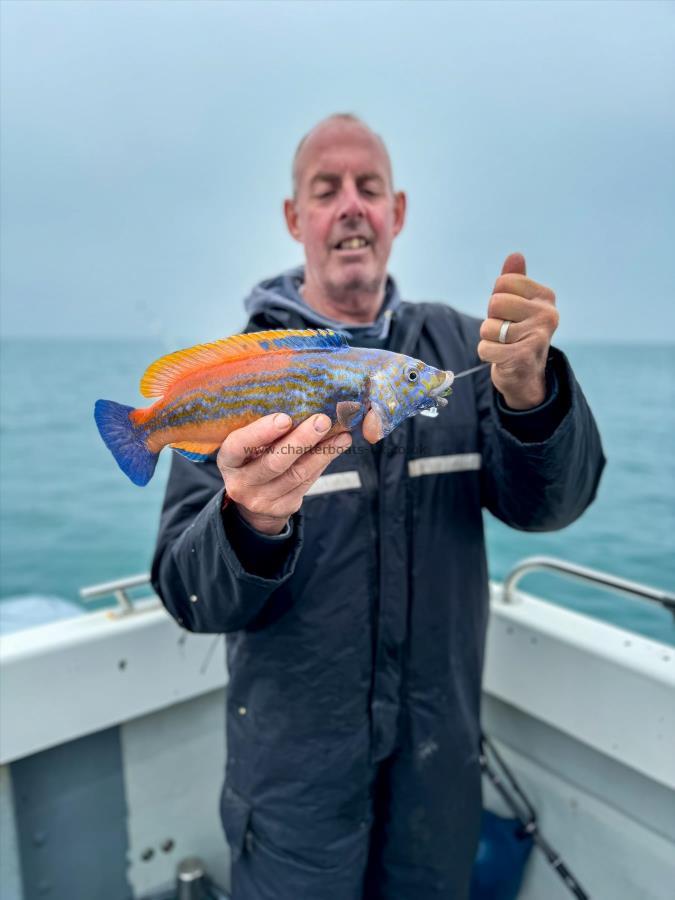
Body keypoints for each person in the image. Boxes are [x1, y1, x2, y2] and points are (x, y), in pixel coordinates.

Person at [151, 113, 605, 900]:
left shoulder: (471, 351)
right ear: (296, 220)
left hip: (438, 780)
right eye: (326, 190)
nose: (350, 206)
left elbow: (552, 506)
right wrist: (249, 523)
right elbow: (188, 592)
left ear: (397, 211)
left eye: (368, 188)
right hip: (291, 793)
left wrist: (532, 395)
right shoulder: (240, 377)